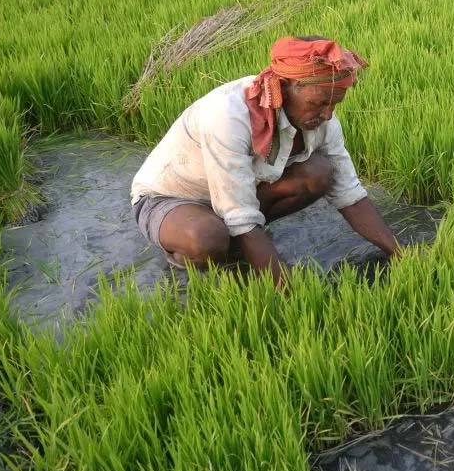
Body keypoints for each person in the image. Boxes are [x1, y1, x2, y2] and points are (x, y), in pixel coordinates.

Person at [130, 36, 400, 286]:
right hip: (173, 199)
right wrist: (290, 289)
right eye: (318, 103)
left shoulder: (322, 121)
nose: (328, 115)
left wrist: (401, 254)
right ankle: (193, 255)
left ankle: (241, 243)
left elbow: (349, 192)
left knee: (319, 172)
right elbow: (239, 214)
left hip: (237, 193)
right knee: (207, 239)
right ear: (284, 87)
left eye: (334, 105)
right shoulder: (229, 115)